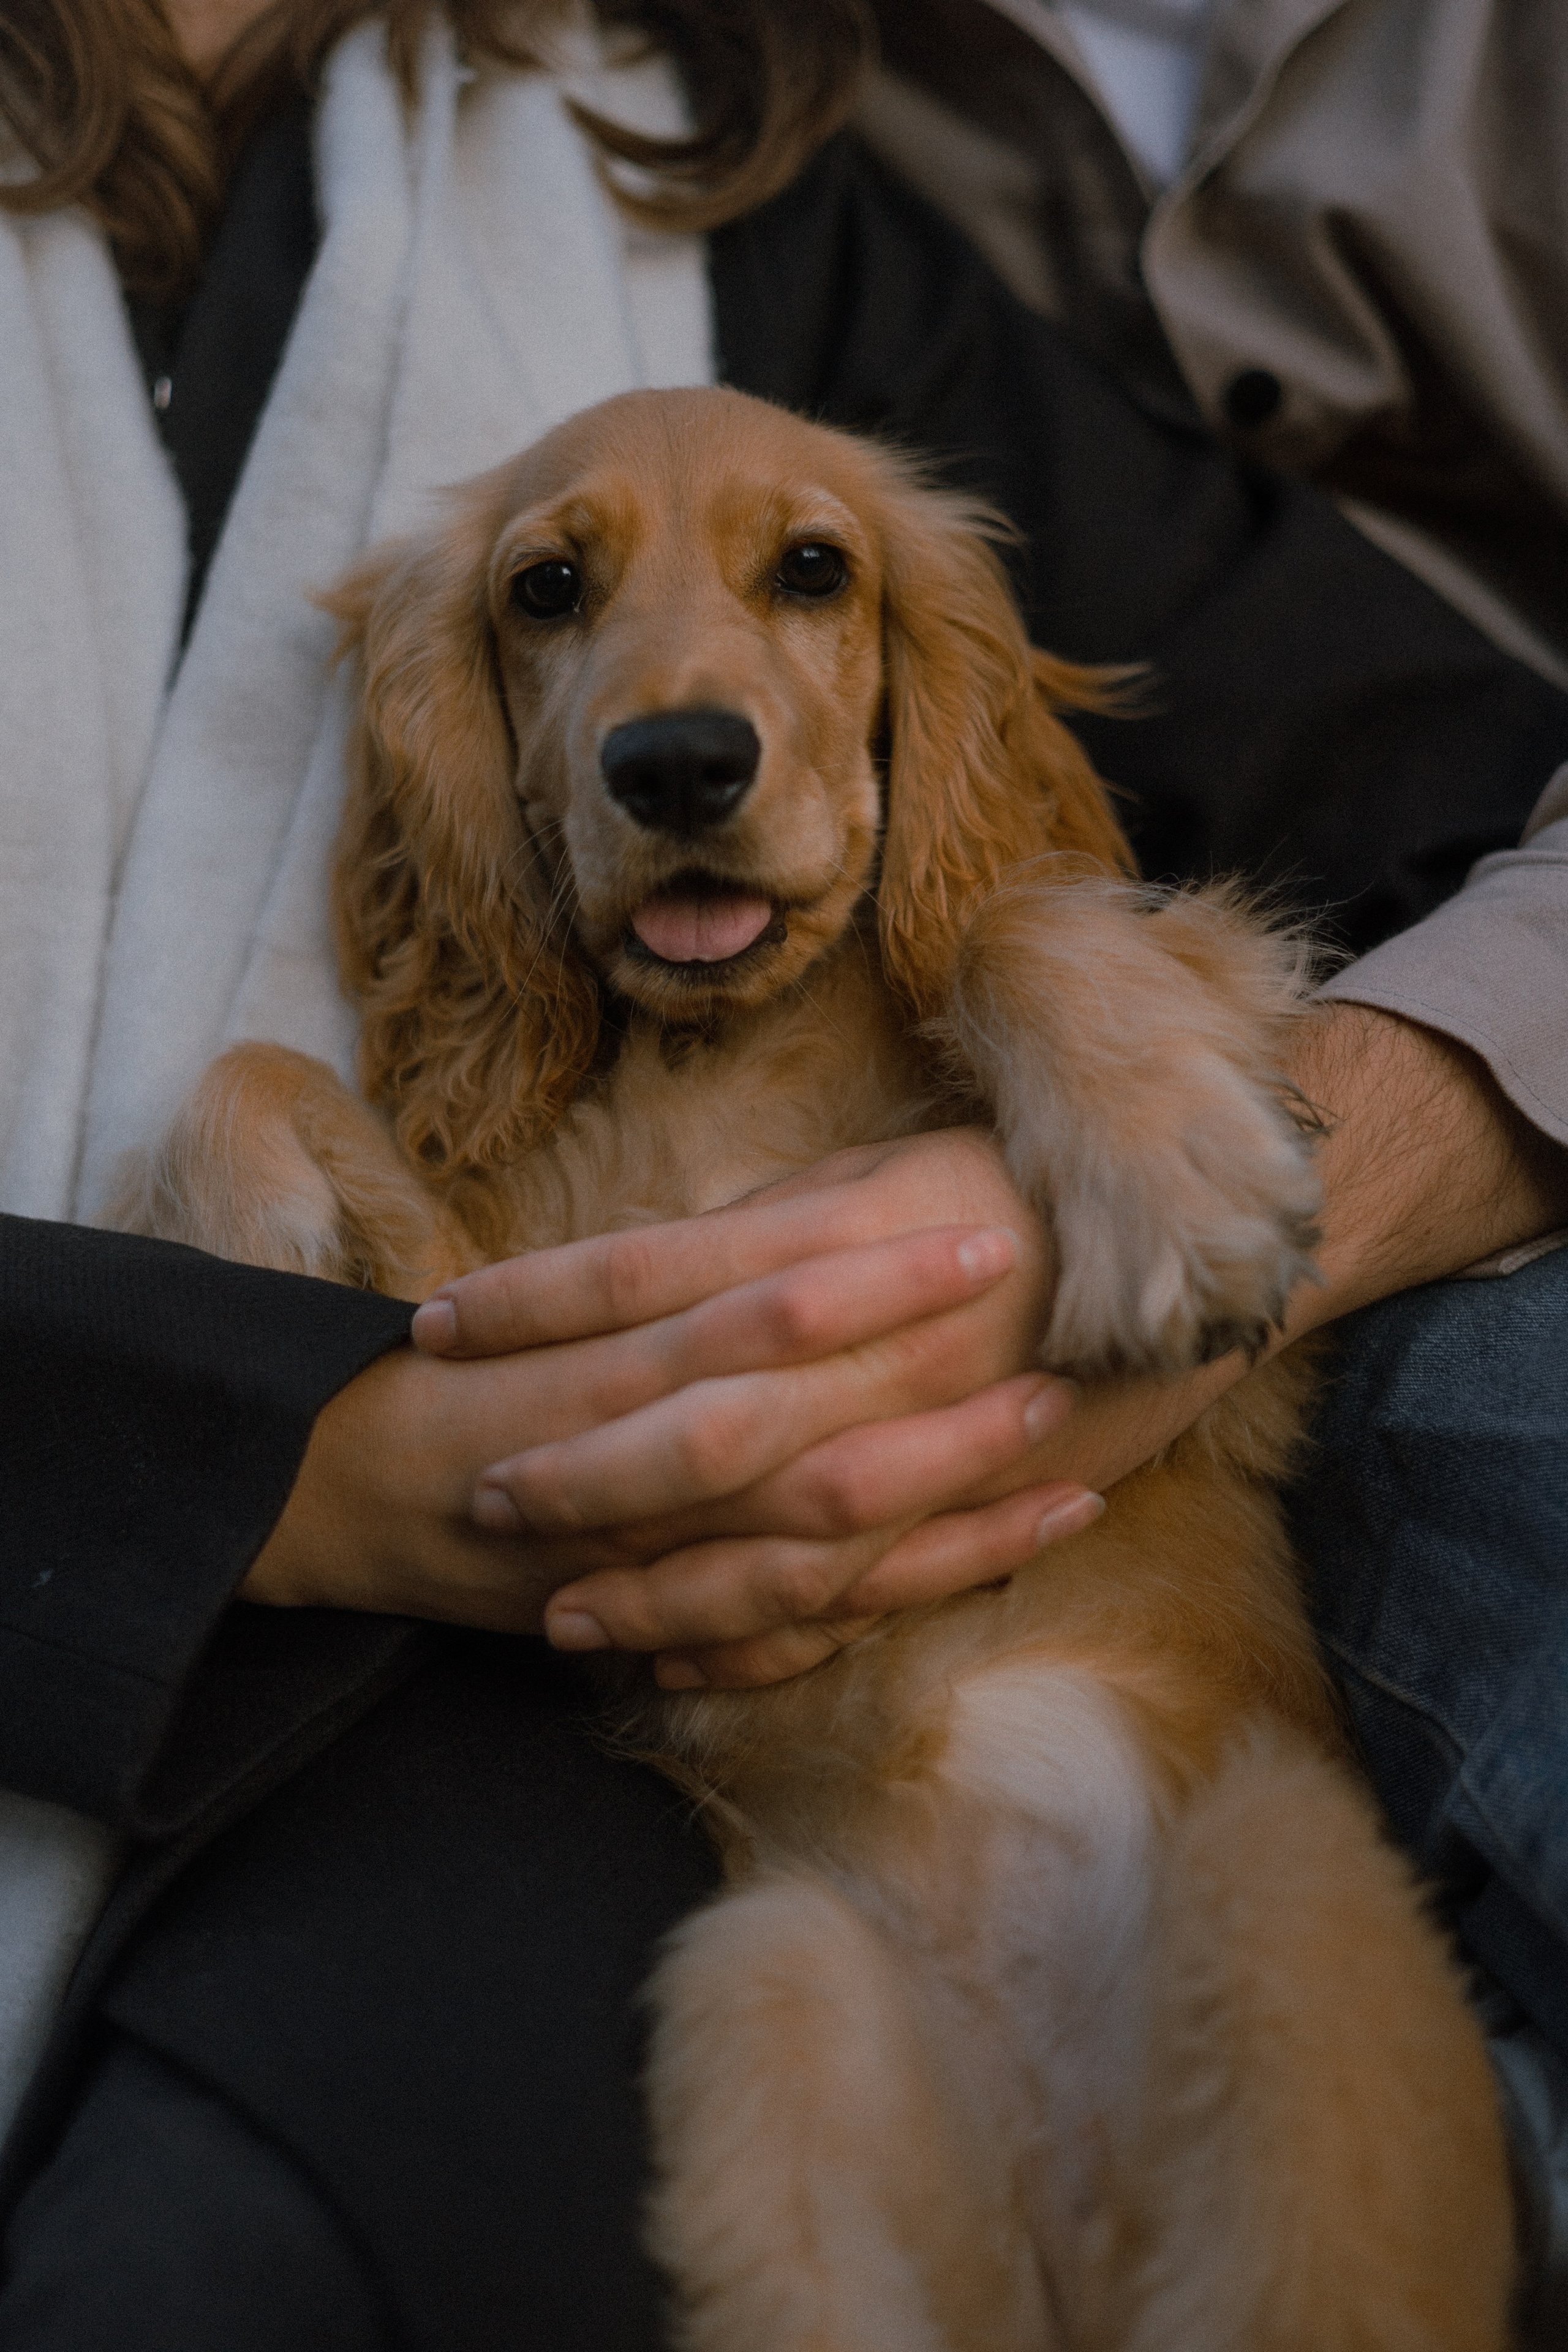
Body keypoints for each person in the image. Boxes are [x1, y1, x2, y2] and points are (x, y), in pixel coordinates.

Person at [0, 1, 1564, 2344]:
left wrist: (1173, 1140)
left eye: (798, 584)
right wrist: (285, 1451)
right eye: (556, 598)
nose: (676, 690)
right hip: (342, 1683)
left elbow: (1449, 791)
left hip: (950, 1748)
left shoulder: (690, 177)